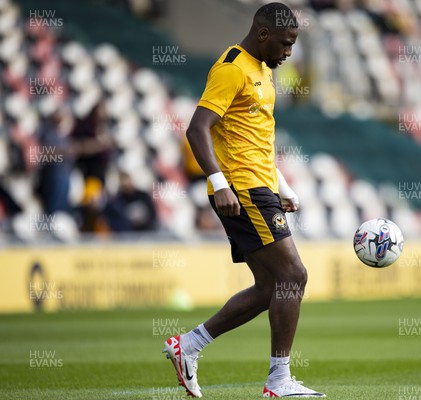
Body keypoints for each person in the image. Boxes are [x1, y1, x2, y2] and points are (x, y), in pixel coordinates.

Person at [162, 3, 325, 398]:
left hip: (261, 186)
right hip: (242, 189)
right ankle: (279, 381)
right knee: (294, 276)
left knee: (271, 285)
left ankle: (190, 345)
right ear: (264, 34)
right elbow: (197, 128)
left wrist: (283, 185)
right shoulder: (232, 68)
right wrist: (219, 183)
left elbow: (256, 141)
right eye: (286, 44)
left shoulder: (265, 73)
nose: (289, 53)